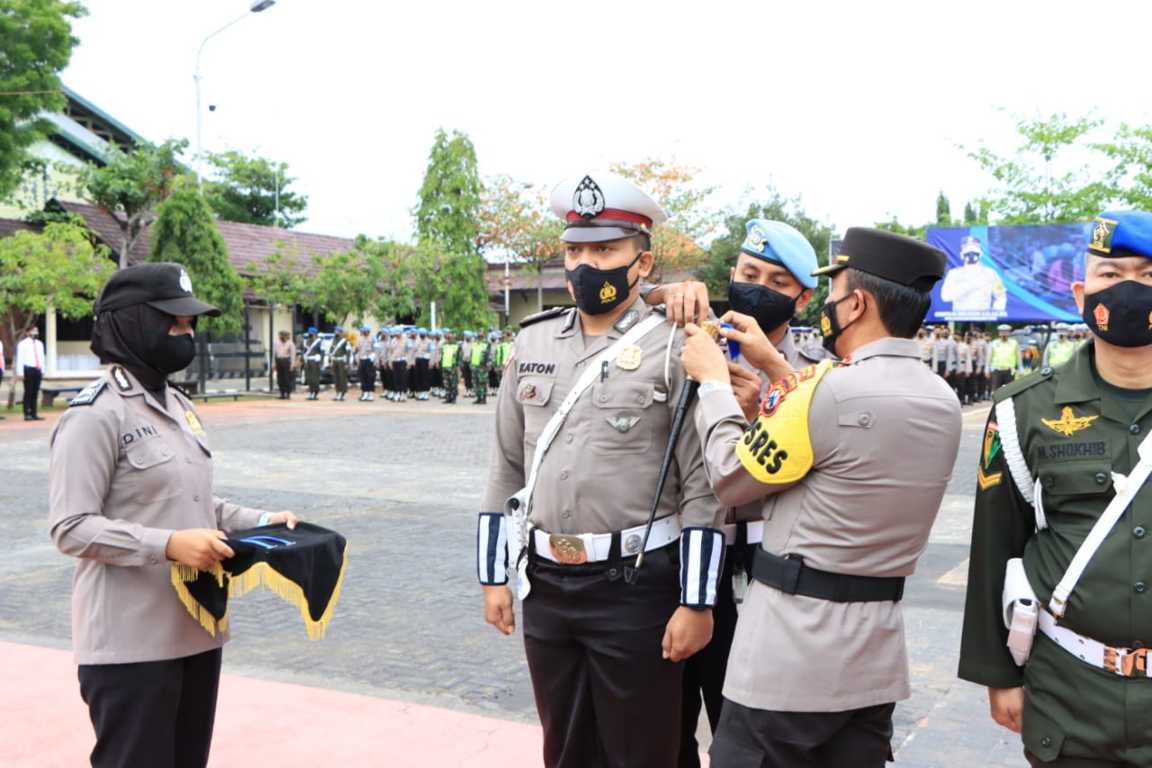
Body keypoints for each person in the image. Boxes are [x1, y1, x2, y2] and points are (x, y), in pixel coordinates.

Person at [681, 227, 962, 766]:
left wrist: (714, 384)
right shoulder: (942, 399)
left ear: (856, 304)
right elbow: (838, 441)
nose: (829, 306)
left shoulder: (825, 391)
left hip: (787, 665)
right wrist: (777, 369)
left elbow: (729, 476)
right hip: (874, 661)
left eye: (834, 294)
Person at [479, 171, 723, 768]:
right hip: (546, 583)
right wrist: (492, 576)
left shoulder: (674, 344)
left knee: (643, 752)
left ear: (642, 264)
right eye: (575, 250)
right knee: (564, 747)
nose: (586, 263)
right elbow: (506, 466)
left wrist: (697, 601)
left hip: (635, 587)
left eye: (605, 250)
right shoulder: (532, 343)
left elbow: (701, 487)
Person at [47, 263, 301, 768]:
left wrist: (265, 521)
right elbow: (70, 526)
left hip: (195, 629)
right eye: (175, 322)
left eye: (190, 323)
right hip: (130, 644)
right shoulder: (94, 414)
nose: (188, 333)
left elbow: (198, 504)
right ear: (133, 322)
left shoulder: (179, 405)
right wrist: (167, 545)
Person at [959, 210, 1152, 767]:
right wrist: (1000, 676)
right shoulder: (1022, 410)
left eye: (1148, 276)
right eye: (1111, 275)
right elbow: (996, 544)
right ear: (1078, 294)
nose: (1130, 290)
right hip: (1070, 695)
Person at [645, 218, 823, 767]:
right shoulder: (687, 338)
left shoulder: (814, 374)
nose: (758, 287)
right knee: (661, 728)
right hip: (677, 560)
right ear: (731, 273)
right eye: (749, 273)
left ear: (804, 298)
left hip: (761, 567)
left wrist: (758, 412)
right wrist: (664, 290)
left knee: (747, 732)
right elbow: (632, 310)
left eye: (777, 281)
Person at [940, 234, 1008, 313]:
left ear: (980, 254)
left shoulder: (991, 273)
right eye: (967, 253)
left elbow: (1001, 295)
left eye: (974, 253)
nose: (971, 256)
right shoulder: (954, 274)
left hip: (984, 317)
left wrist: (996, 313)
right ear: (962, 255)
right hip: (960, 317)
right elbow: (945, 296)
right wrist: (969, 285)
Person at [15, 325, 46, 421]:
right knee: (28, 392)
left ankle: (34, 413)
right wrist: (20, 373)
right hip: (28, 369)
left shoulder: (40, 344)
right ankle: (27, 413)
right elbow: (20, 359)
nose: (35, 332)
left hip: (37, 369)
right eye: (33, 331)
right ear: (27, 333)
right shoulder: (22, 344)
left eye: (36, 331)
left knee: (35, 392)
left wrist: (43, 370)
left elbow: (42, 358)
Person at [989, 324, 1023, 391]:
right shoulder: (994, 343)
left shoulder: (1014, 343)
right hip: (997, 370)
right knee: (996, 391)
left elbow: (1018, 357)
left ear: (1009, 333)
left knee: (1010, 390)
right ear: (999, 333)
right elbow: (989, 356)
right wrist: (987, 368)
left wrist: (1020, 368)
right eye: (1002, 332)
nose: (1004, 333)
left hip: (1009, 370)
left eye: (1006, 332)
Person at [329, 326, 352, 402]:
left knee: (342, 378)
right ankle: (338, 392)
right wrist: (330, 361)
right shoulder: (333, 340)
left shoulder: (345, 341)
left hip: (342, 361)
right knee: (336, 378)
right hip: (335, 361)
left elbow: (348, 352)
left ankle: (343, 393)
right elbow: (331, 350)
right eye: (335, 331)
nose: (336, 332)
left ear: (341, 332)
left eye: (337, 331)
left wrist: (347, 363)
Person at [272, 330, 296, 400]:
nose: (280, 337)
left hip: (286, 361)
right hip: (279, 360)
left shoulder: (290, 343)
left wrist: (292, 365)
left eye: (281, 335)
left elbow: (292, 355)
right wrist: (273, 364)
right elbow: (274, 354)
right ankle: (282, 393)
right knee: (280, 378)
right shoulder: (276, 343)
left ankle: (288, 393)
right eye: (279, 335)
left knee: (287, 378)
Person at [355, 325, 377, 402]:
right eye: (363, 331)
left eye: (365, 331)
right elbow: (358, 350)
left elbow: (375, 350)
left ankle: (370, 393)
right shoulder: (360, 339)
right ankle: (364, 392)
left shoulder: (373, 338)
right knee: (363, 377)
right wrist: (357, 360)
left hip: (369, 360)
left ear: (368, 331)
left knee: (370, 377)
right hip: (362, 359)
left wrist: (375, 361)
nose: (363, 332)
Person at [469, 332, 490, 405]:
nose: (480, 337)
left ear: (483, 337)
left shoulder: (486, 344)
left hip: (482, 367)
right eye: (479, 336)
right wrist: (470, 364)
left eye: (481, 336)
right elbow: (471, 354)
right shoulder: (474, 344)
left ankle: (483, 399)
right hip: (474, 366)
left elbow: (488, 356)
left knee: (483, 383)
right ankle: (478, 398)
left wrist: (487, 365)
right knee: (475, 383)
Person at [301, 327, 322, 401]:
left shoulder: (318, 341)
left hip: (315, 361)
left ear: (315, 333)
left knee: (314, 377)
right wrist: (303, 358)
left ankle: (315, 392)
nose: (310, 334)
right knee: (309, 377)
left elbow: (321, 352)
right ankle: (311, 392)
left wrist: (319, 360)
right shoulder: (307, 341)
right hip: (308, 360)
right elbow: (305, 350)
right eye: (309, 333)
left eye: (311, 333)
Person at [439, 330, 460, 404]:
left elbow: (459, 357)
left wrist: (458, 367)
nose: (449, 338)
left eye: (451, 337)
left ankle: (453, 398)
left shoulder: (457, 345)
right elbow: (442, 356)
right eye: (448, 337)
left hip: (452, 367)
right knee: (446, 383)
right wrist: (440, 364)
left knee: (453, 384)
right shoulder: (444, 345)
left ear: (453, 337)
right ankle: (448, 398)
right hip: (445, 366)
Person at [414, 328, 433, 401]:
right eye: (420, 333)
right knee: (419, 376)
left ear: (425, 334)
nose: (421, 335)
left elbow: (432, 352)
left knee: (425, 376)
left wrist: (431, 362)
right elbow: (414, 350)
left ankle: (426, 393)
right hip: (418, 359)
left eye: (422, 333)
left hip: (425, 360)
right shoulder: (417, 341)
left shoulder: (429, 342)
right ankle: (421, 392)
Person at [460, 331, 474, 396]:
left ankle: (472, 390)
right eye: (465, 336)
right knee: (466, 376)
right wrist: (461, 362)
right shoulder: (463, 344)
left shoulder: (473, 343)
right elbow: (461, 353)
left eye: (468, 336)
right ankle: (467, 390)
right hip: (465, 361)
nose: (466, 337)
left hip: (471, 362)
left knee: (471, 376)